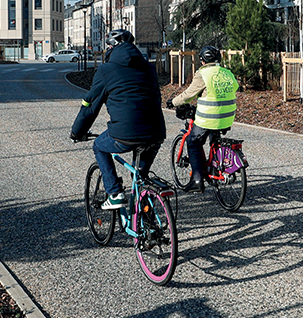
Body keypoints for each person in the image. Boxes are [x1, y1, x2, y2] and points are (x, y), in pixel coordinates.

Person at [70, 29, 166, 209]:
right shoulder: (149, 68)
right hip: (156, 131)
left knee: (99, 146)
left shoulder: (106, 70)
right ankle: (148, 218)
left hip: (125, 134)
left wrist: (77, 132)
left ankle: (115, 193)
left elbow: (90, 106)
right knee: (140, 177)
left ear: (111, 48)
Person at [168, 45, 239, 191]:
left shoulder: (203, 74)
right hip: (228, 116)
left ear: (202, 61)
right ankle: (214, 166)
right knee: (214, 139)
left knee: (192, 142)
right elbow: (235, 87)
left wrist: (173, 102)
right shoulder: (227, 72)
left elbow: (189, 95)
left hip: (209, 117)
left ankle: (197, 180)